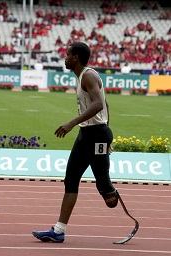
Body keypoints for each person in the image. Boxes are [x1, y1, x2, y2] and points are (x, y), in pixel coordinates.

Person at [32, 42, 118, 243]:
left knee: (105, 189)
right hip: (87, 135)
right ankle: (59, 231)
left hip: (97, 135)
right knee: (70, 179)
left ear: (76, 57)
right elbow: (105, 104)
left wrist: (73, 123)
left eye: (68, 54)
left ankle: (110, 190)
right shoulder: (80, 76)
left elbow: (99, 104)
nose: (65, 57)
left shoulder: (88, 75)